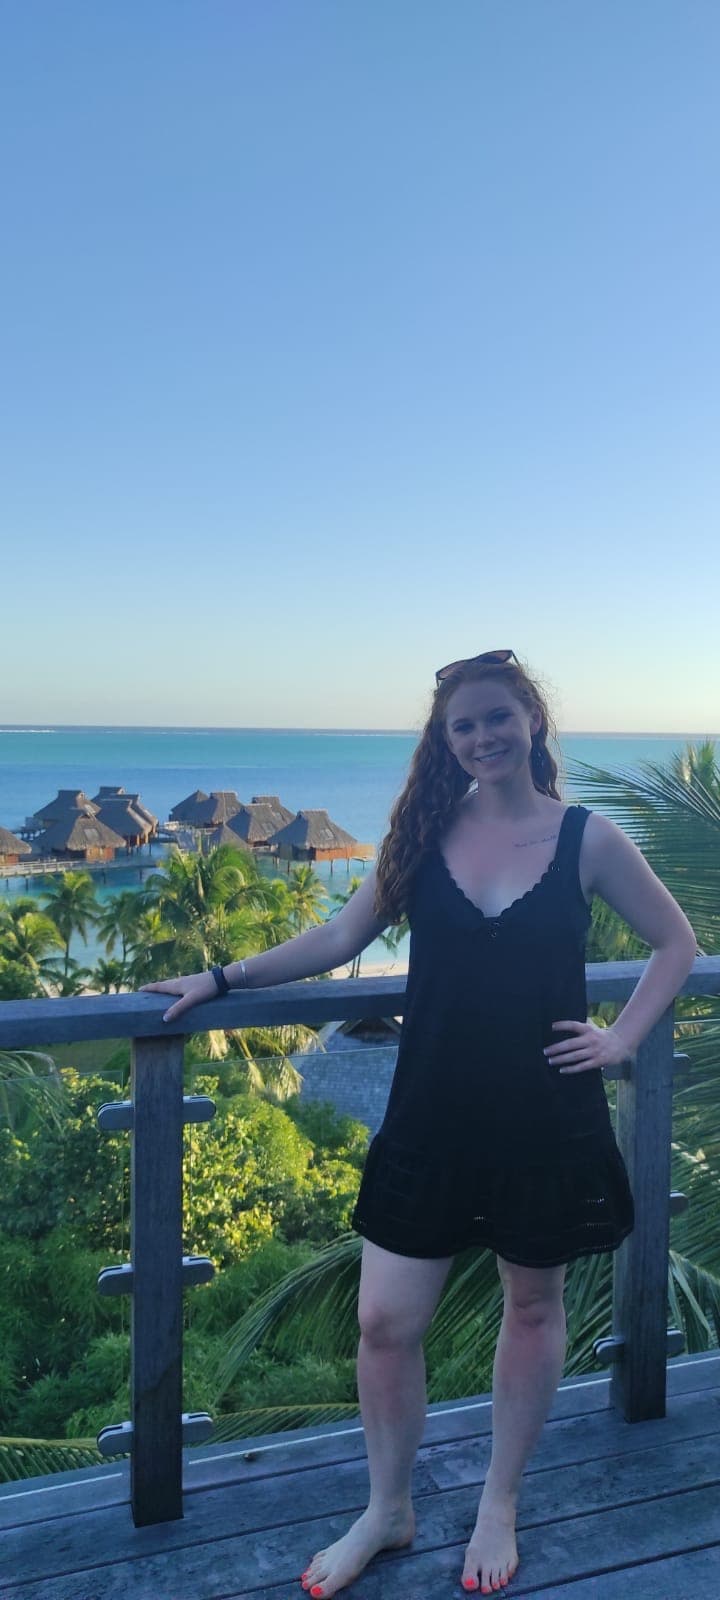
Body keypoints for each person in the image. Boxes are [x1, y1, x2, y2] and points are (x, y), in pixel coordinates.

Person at [142, 649, 698, 1598]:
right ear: (445, 743)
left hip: (544, 1118)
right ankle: (388, 1508)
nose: (482, 737)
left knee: (531, 1307)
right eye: (462, 726)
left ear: (532, 720)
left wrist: (621, 1042)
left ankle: (498, 1503)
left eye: (496, 717)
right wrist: (222, 978)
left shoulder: (587, 839)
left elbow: (676, 941)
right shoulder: (424, 834)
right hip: (430, 1115)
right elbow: (334, 938)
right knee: (384, 1323)